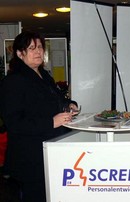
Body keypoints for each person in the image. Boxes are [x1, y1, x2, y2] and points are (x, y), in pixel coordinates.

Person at [0, 31, 79, 201]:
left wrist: (68, 104)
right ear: (20, 54)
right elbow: (14, 123)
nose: (38, 52)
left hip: (50, 151)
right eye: (32, 48)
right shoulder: (13, 81)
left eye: (40, 47)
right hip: (30, 158)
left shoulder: (44, 75)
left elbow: (55, 99)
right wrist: (52, 122)